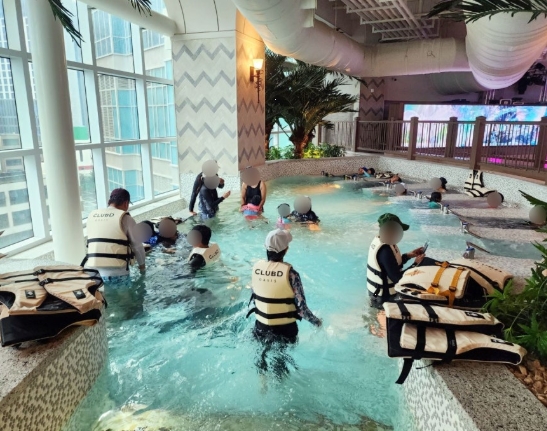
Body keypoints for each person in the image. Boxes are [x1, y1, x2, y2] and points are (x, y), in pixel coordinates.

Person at [248, 229, 322, 344]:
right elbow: (302, 309)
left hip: (260, 328)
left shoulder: (256, 269)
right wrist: (317, 323)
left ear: (265, 247)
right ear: (286, 249)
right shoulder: (291, 275)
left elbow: (255, 299)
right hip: (285, 331)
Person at [82, 188, 146, 281]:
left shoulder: (92, 216)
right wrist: (142, 269)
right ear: (126, 203)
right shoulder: (126, 218)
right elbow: (138, 247)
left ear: (110, 201)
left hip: (92, 271)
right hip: (116, 273)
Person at [366, 213, 425, 309]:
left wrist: (409, 255)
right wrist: (416, 264)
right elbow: (398, 279)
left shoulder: (380, 241)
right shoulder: (385, 250)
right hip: (384, 298)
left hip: (376, 293)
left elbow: (390, 265)